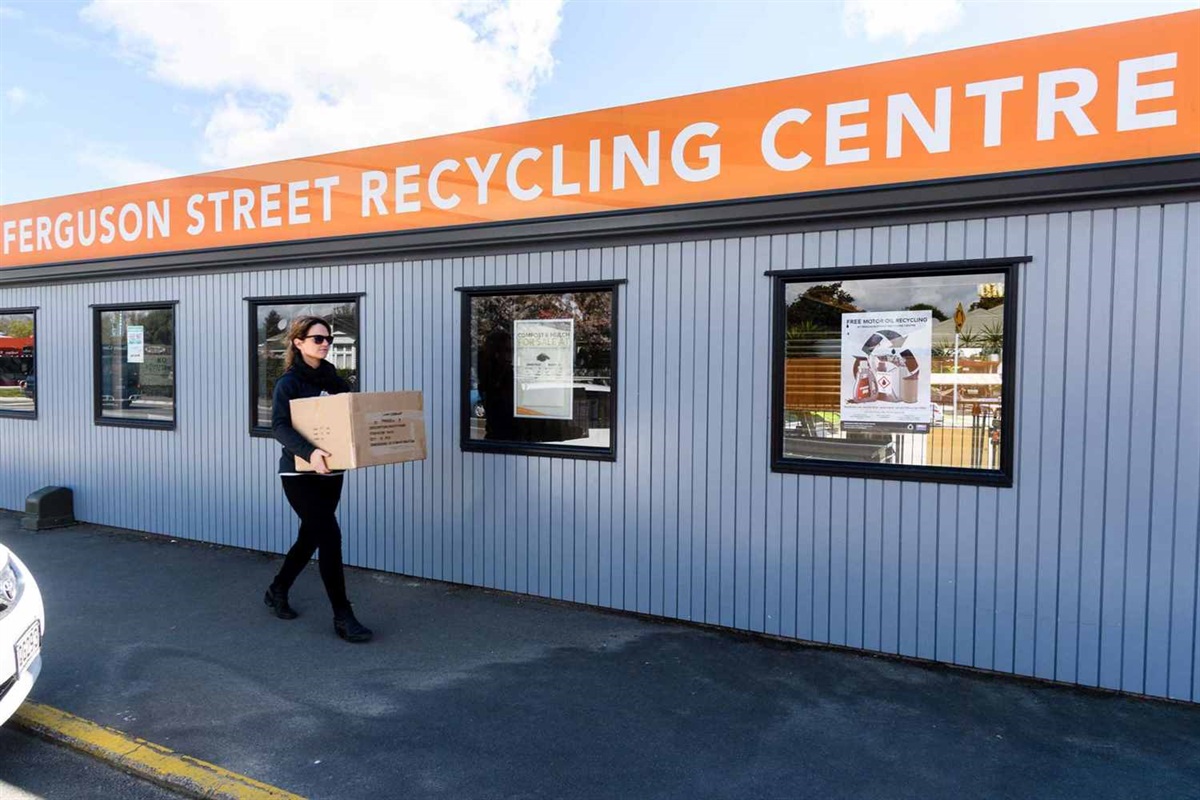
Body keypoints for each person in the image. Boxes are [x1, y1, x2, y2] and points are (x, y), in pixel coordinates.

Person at [263, 315, 372, 643]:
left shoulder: (335, 379)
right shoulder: (289, 383)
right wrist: (310, 453)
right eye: (317, 339)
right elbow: (279, 426)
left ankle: (277, 588)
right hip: (299, 474)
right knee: (330, 536)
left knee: (311, 536)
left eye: (329, 340)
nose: (325, 344)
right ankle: (343, 615)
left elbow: (349, 415)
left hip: (331, 472)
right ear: (298, 343)